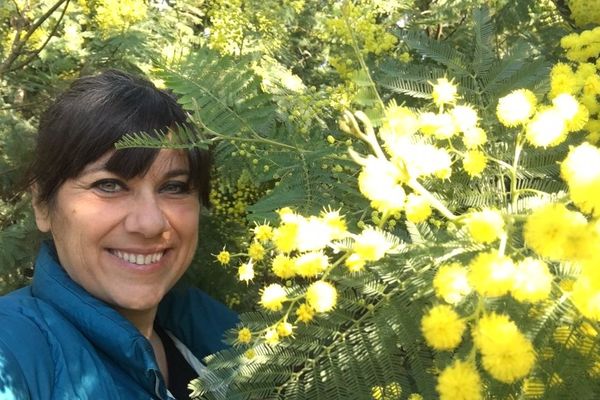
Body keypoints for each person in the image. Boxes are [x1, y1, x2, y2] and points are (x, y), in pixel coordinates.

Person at [0, 70, 238, 399]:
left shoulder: (227, 337)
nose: (150, 223)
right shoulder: (12, 349)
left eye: (174, 187)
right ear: (43, 204)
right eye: (109, 185)